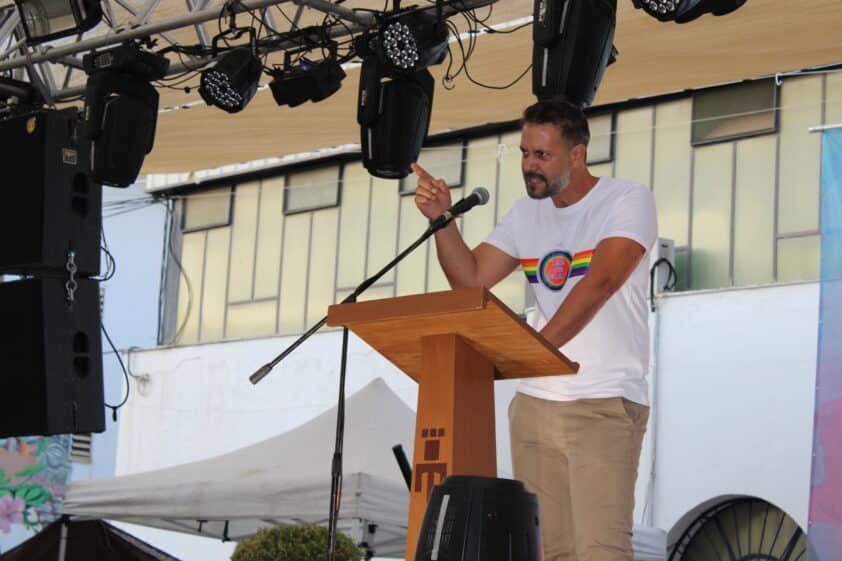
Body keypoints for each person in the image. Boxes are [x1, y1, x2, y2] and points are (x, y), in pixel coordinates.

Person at [412, 99, 657, 561]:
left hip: (603, 400)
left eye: (542, 155)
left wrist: (536, 351)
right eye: (525, 153)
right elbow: (470, 281)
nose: (529, 165)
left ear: (577, 154)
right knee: (550, 552)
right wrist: (442, 221)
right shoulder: (526, 214)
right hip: (535, 405)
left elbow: (601, 282)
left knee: (601, 550)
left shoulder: (627, 200)